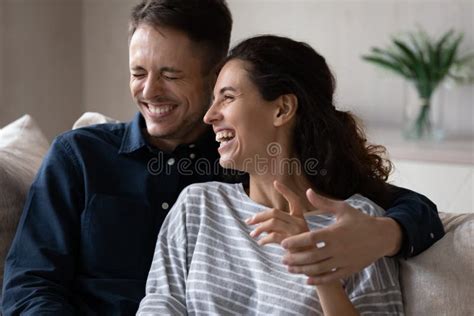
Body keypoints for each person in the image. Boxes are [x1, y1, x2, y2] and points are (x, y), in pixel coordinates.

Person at [2, 0, 443, 314]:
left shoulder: (244, 161)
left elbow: (411, 209)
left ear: (217, 76)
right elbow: (28, 286)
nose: (149, 92)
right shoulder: (80, 156)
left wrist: (384, 236)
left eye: (171, 75)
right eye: (138, 73)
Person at [138, 35, 407, 315]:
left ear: (282, 109)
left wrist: (319, 271)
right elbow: (160, 304)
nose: (209, 116)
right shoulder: (198, 206)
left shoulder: (356, 225)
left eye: (227, 97)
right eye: (213, 100)